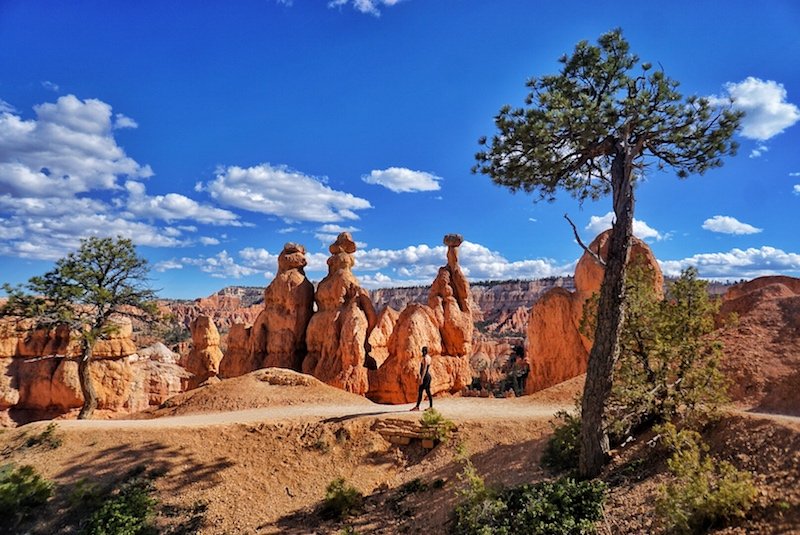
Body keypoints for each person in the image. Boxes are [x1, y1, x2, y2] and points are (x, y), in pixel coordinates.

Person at [410, 346, 432, 411]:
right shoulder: (429, 357)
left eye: (423, 351)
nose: (422, 352)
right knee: (428, 391)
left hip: (425, 376)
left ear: (424, 351)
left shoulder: (425, 358)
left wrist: (421, 378)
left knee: (420, 391)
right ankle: (430, 407)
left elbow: (424, 369)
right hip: (428, 376)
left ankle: (417, 407)